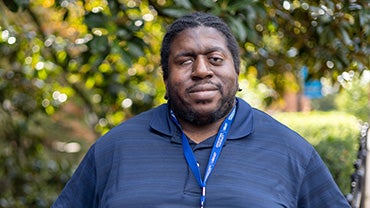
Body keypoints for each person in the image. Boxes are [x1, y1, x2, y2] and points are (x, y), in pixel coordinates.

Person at [52, 12, 351, 208]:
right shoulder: (114, 149)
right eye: (185, 61)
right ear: (165, 77)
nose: (201, 71)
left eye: (215, 59)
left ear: (236, 70)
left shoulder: (290, 150)